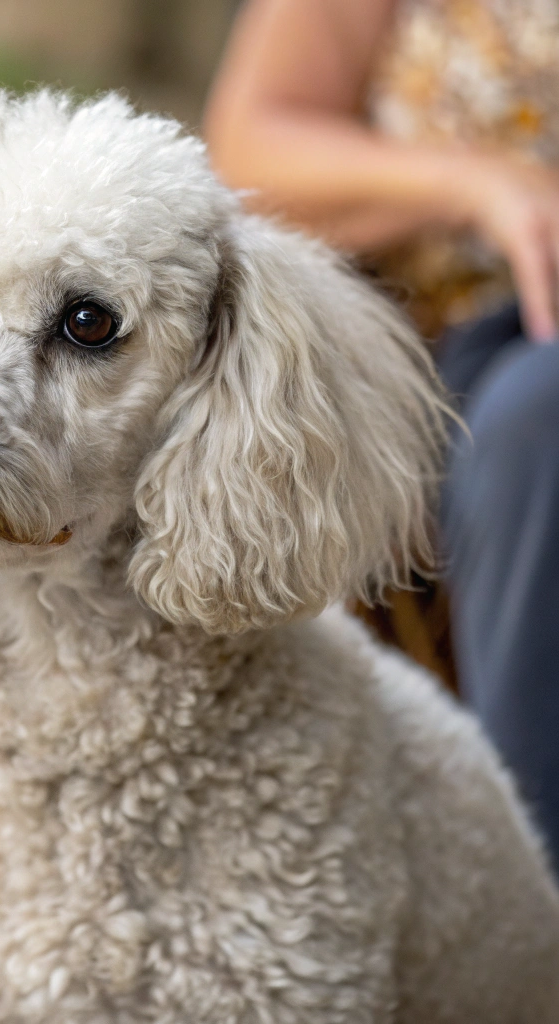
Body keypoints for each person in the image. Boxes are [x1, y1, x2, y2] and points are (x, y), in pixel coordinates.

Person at [205, 0, 559, 857]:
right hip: (482, 338)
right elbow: (244, 151)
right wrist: (484, 185)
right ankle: (531, 879)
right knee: (540, 412)